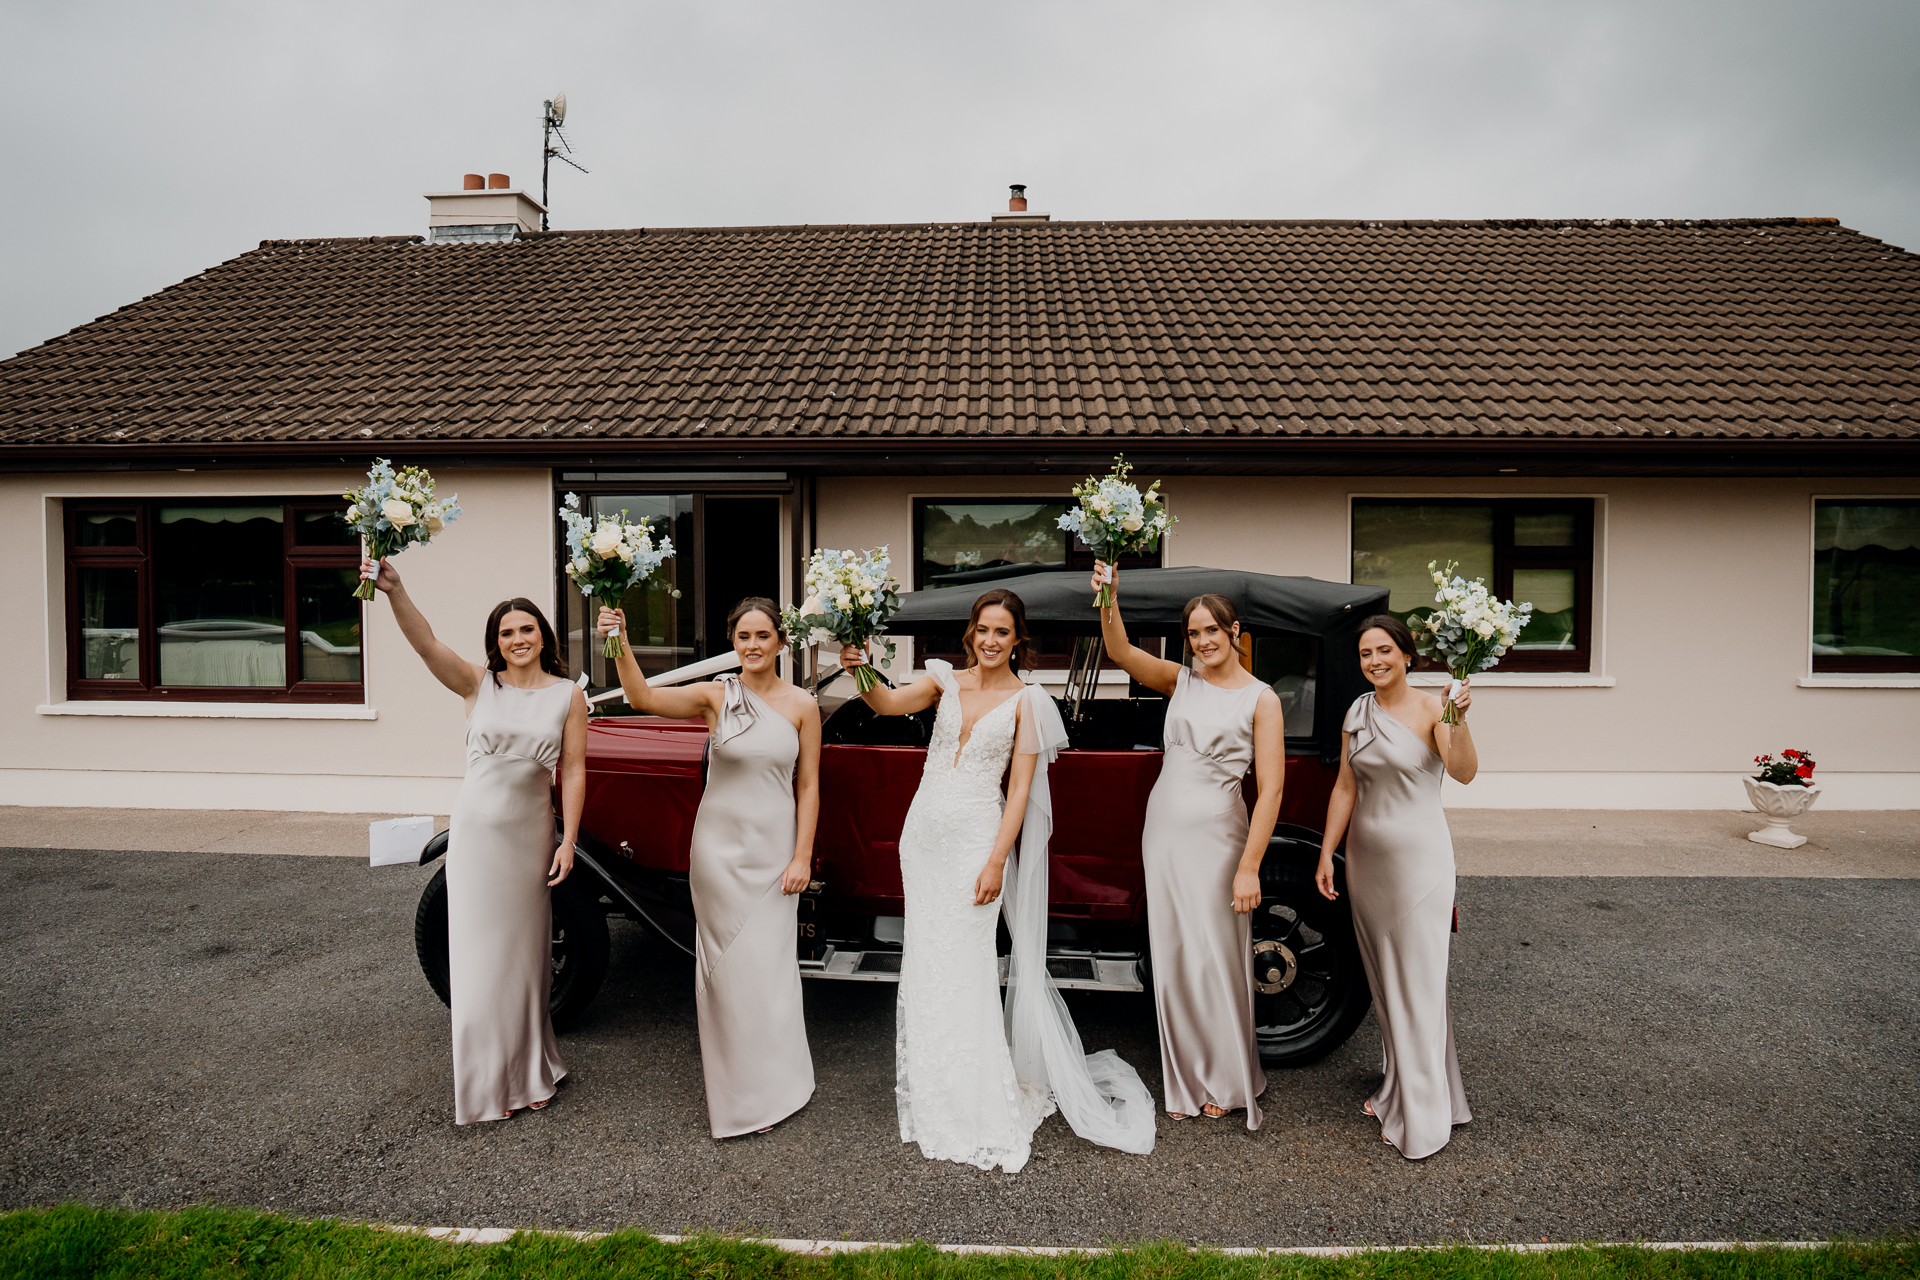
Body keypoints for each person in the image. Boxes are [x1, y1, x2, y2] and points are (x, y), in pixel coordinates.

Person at [841, 588, 1154, 1171]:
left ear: (1018, 640)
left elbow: (1018, 792)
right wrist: (860, 667)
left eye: (1002, 632)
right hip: (924, 838)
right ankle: (934, 1083)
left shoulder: (1029, 702)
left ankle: (975, 1092)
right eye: (983, 629)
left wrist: (995, 861)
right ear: (971, 633)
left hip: (975, 843)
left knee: (968, 963)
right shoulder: (944, 682)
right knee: (928, 960)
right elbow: (883, 703)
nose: (990, 640)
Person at [364, 556, 584, 1125]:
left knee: (525, 960)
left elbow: (576, 772)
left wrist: (569, 839)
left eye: (527, 629)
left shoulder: (568, 696)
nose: (518, 639)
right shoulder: (475, 683)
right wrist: (395, 590)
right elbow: (425, 643)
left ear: (543, 636)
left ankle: (532, 1068)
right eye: (507, 632)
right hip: (477, 837)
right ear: (495, 642)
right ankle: (489, 1084)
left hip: (531, 836)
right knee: (481, 961)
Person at [600, 597, 820, 1138]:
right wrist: (619, 639)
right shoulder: (716, 695)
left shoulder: (802, 705)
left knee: (770, 970)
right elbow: (641, 696)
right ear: (734, 641)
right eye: (743, 636)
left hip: (774, 854)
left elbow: (809, 785)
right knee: (729, 974)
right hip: (719, 853)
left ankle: (782, 1084)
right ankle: (741, 1097)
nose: (752, 646)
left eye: (762, 636)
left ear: (781, 642)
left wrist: (802, 855)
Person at [1091, 563, 1285, 1127]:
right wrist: (1109, 597)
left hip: (1220, 837)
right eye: (1193, 633)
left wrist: (1250, 866)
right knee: (1174, 955)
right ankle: (1185, 1077)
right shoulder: (1182, 681)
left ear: (1234, 632)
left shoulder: (1261, 699)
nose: (1202, 642)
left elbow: (1271, 789)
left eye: (1211, 631)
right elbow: (1122, 651)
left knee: (1215, 957)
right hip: (1165, 833)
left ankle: (1228, 1078)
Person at [1314, 615, 1477, 1159]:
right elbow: (1344, 786)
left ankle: (1424, 1119)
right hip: (1366, 862)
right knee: (1387, 985)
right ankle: (1402, 1089)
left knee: (1421, 986)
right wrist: (1327, 854)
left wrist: (1460, 719)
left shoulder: (1436, 708)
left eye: (1385, 650)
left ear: (1408, 655)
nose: (1375, 661)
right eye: (1366, 654)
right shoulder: (1357, 711)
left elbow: (1464, 772)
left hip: (1419, 864)